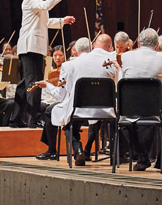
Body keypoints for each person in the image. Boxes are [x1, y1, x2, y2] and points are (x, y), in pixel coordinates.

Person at [32, 36, 117, 164]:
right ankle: (85, 150)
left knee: (68, 121)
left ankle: (77, 149)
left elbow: (61, 96)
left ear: (75, 51)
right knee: (77, 115)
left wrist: (48, 86)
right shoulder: (111, 62)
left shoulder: (70, 65)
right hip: (105, 109)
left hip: (78, 108)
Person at [15, 0, 75, 128]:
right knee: (34, 83)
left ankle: (15, 119)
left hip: (34, 46)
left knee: (24, 84)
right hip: (30, 46)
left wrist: (63, 21)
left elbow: (45, 23)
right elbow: (46, 6)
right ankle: (33, 119)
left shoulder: (37, 0)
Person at [119, 29, 162, 171]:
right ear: (156, 46)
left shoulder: (126, 56)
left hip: (131, 107)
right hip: (157, 107)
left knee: (127, 124)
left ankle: (142, 158)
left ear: (139, 44)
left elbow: (122, 79)